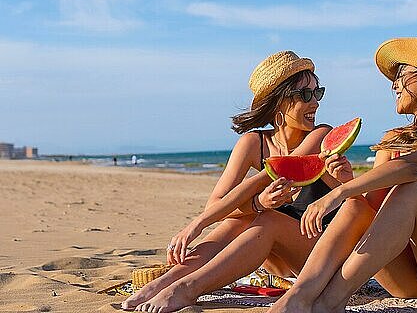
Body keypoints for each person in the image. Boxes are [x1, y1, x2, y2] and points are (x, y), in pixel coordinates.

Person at [269, 37, 417, 313]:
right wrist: (348, 185)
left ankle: (329, 304)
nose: (394, 85)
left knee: (409, 191)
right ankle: (300, 295)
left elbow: (413, 167)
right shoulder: (394, 140)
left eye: (401, 76)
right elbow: (369, 207)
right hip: (410, 278)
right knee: (358, 203)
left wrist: (339, 192)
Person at [122, 51, 360, 312]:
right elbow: (217, 202)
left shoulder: (321, 134)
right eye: (305, 95)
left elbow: (270, 173)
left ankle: (186, 289)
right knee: (242, 218)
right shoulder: (253, 143)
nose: (314, 102)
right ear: (279, 101)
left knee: (268, 219)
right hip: (278, 262)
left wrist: (197, 225)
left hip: (323, 256)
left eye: (318, 92)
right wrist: (258, 203)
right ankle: (164, 283)